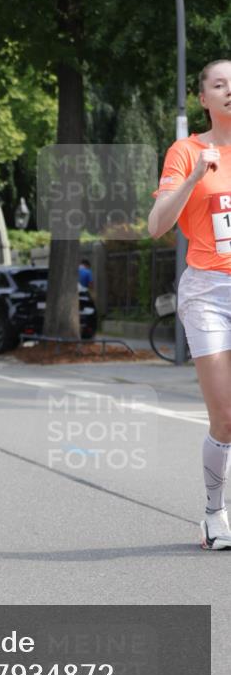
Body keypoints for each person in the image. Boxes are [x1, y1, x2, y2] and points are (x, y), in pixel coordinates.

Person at [148, 59, 231, 550]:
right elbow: (158, 223)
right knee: (224, 416)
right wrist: (197, 172)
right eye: (220, 85)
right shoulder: (186, 151)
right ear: (204, 98)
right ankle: (213, 513)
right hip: (208, 294)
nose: (229, 92)